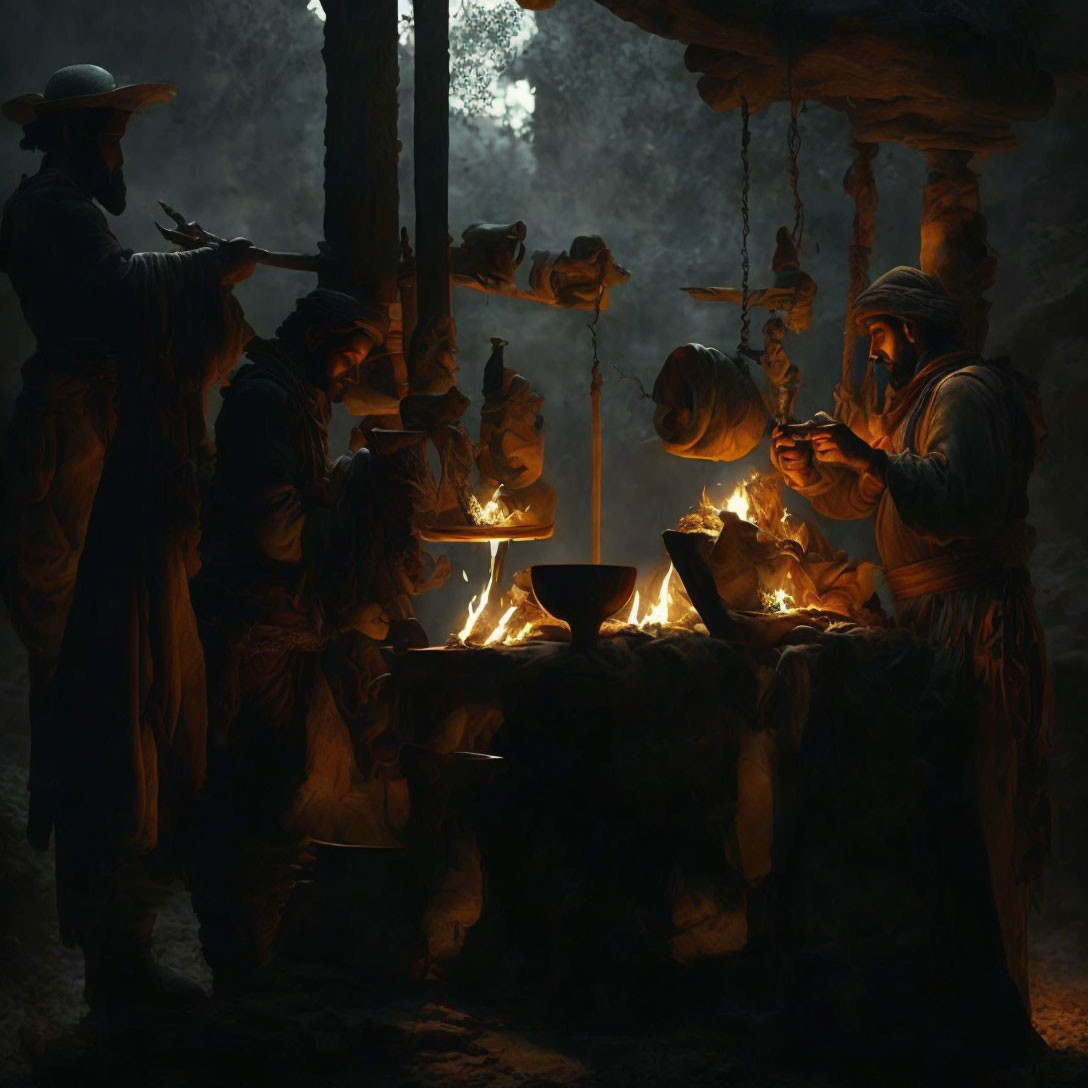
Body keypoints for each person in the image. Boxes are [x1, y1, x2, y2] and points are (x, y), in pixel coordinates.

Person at [0, 64, 256, 1010]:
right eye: (111, 137)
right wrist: (207, 267)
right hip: (73, 454)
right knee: (101, 695)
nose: (120, 153)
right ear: (75, 140)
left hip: (86, 441)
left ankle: (124, 935)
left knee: (114, 692)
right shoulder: (55, 214)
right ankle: (115, 950)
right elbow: (114, 295)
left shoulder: (51, 207)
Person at [771, 266, 1050, 1013]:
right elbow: (873, 491)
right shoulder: (917, 403)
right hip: (934, 619)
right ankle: (955, 991)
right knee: (942, 798)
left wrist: (866, 456)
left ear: (912, 328)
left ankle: (996, 997)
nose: (874, 350)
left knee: (982, 791)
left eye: (878, 334)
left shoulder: (961, 394)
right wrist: (812, 473)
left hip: (972, 616)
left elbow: (958, 501)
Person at [191, 289, 443, 992]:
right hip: (254, 629)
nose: (349, 372)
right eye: (346, 354)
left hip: (284, 628)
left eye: (360, 360)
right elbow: (274, 527)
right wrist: (347, 523)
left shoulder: (297, 396)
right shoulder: (267, 399)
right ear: (315, 337)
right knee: (251, 783)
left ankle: (249, 955)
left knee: (276, 781)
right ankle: (236, 964)